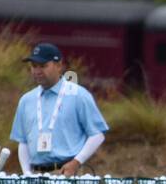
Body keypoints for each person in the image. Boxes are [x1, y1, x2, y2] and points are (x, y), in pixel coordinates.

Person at [10, 43, 108, 176]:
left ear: (59, 66)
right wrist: (26, 172)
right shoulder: (26, 100)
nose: (37, 71)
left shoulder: (78, 95)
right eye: (34, 66)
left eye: (43, 66)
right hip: (35, 175)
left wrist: (76, 162)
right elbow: (23, 142)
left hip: (67, 172)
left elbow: (97, 135)